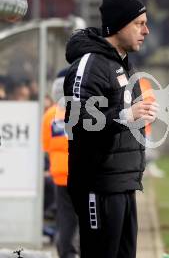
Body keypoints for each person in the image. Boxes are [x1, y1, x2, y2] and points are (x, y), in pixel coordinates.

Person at [63, 0, 158, 258]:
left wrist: (139, 115)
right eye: (139, 23)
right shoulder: (90, 63)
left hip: (123, 183)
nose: (146, 31)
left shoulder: (122, 63)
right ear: (118, 25)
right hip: (99, 186)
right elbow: (78, 121)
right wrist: (125, 116)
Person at [42, 68, 79, 258]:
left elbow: (46, 145)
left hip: (59, 172)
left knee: (65, 217)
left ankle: (65, 252)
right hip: (81, 171)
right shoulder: (84, 111)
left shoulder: (49, 115)